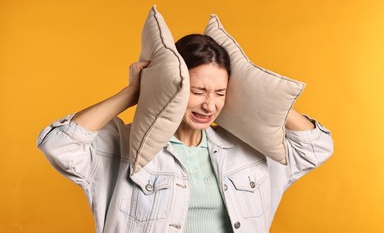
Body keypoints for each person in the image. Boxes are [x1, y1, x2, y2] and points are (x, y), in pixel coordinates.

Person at [37, 34, 333, 233]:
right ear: (172, 87)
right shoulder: (126, 147)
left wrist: (262, 97)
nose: (209, 104)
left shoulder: (248, 150)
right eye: (197, 91)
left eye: (220, 92)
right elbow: (59, 144)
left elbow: (316, 146)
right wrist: (134, 92)